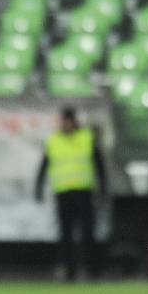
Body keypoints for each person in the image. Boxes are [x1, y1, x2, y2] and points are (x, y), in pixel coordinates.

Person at [35, 106, 107, 281]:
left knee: (88, 233)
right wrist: (38, 187)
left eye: (69, 120)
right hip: (63, 193)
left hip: (83, 192)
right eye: (64, 120)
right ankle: (70, 272)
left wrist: (104, 187)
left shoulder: (87, 138)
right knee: (65, 234)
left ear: (74, 120)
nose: (66, 124)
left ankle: (92, 271)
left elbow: (99, 165)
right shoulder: (54, 141)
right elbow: (44, 165)